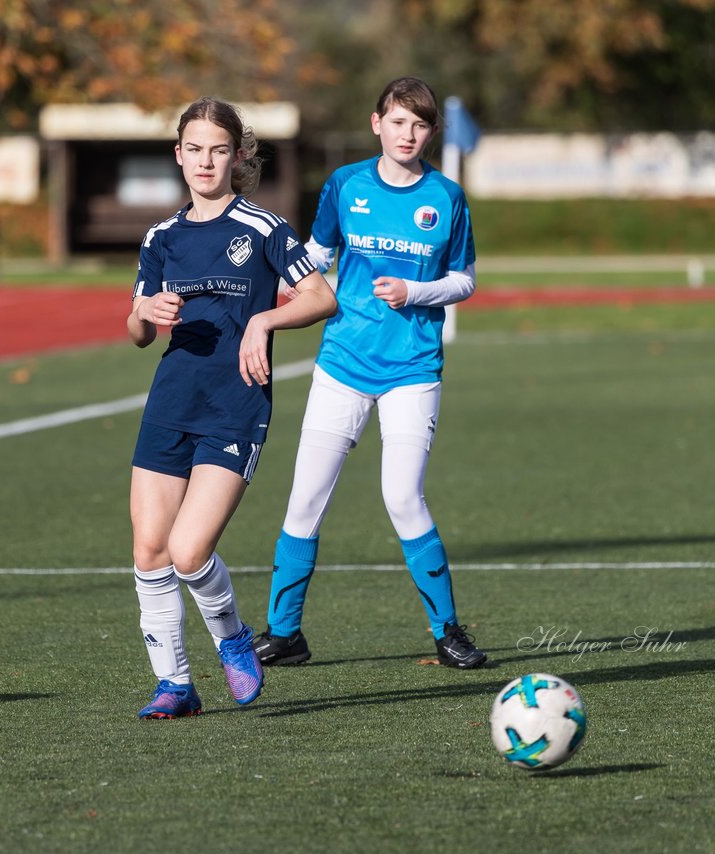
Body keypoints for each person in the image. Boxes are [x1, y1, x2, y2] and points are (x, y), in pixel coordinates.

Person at [252, 77, 488, 670]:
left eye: (420, 124)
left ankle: (447, 631)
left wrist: (417, 290)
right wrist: (281, 287)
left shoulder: (448, 197)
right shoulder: (345, 185)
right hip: (342, 365)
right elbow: (318, 254)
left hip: (413, 368)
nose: (409, 134)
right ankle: (286, 635)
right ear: (377, 122)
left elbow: (464, 279)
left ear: (431, 132)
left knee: (403, 497)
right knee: (305, 498)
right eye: (399, 121)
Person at [128, 97, 338, 719]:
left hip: (235, 406)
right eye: (194, 149)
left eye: (218, 150)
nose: (205, 161)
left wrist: (264, 320)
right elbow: (138, 329)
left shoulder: (264, 228)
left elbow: (321, 297)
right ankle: (174, 685)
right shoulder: (161, 237)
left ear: (237, 157)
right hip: (170, 401)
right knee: (149, 551)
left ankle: (232, 638)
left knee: (189, 552)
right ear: (178, 155)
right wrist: (144, 313)